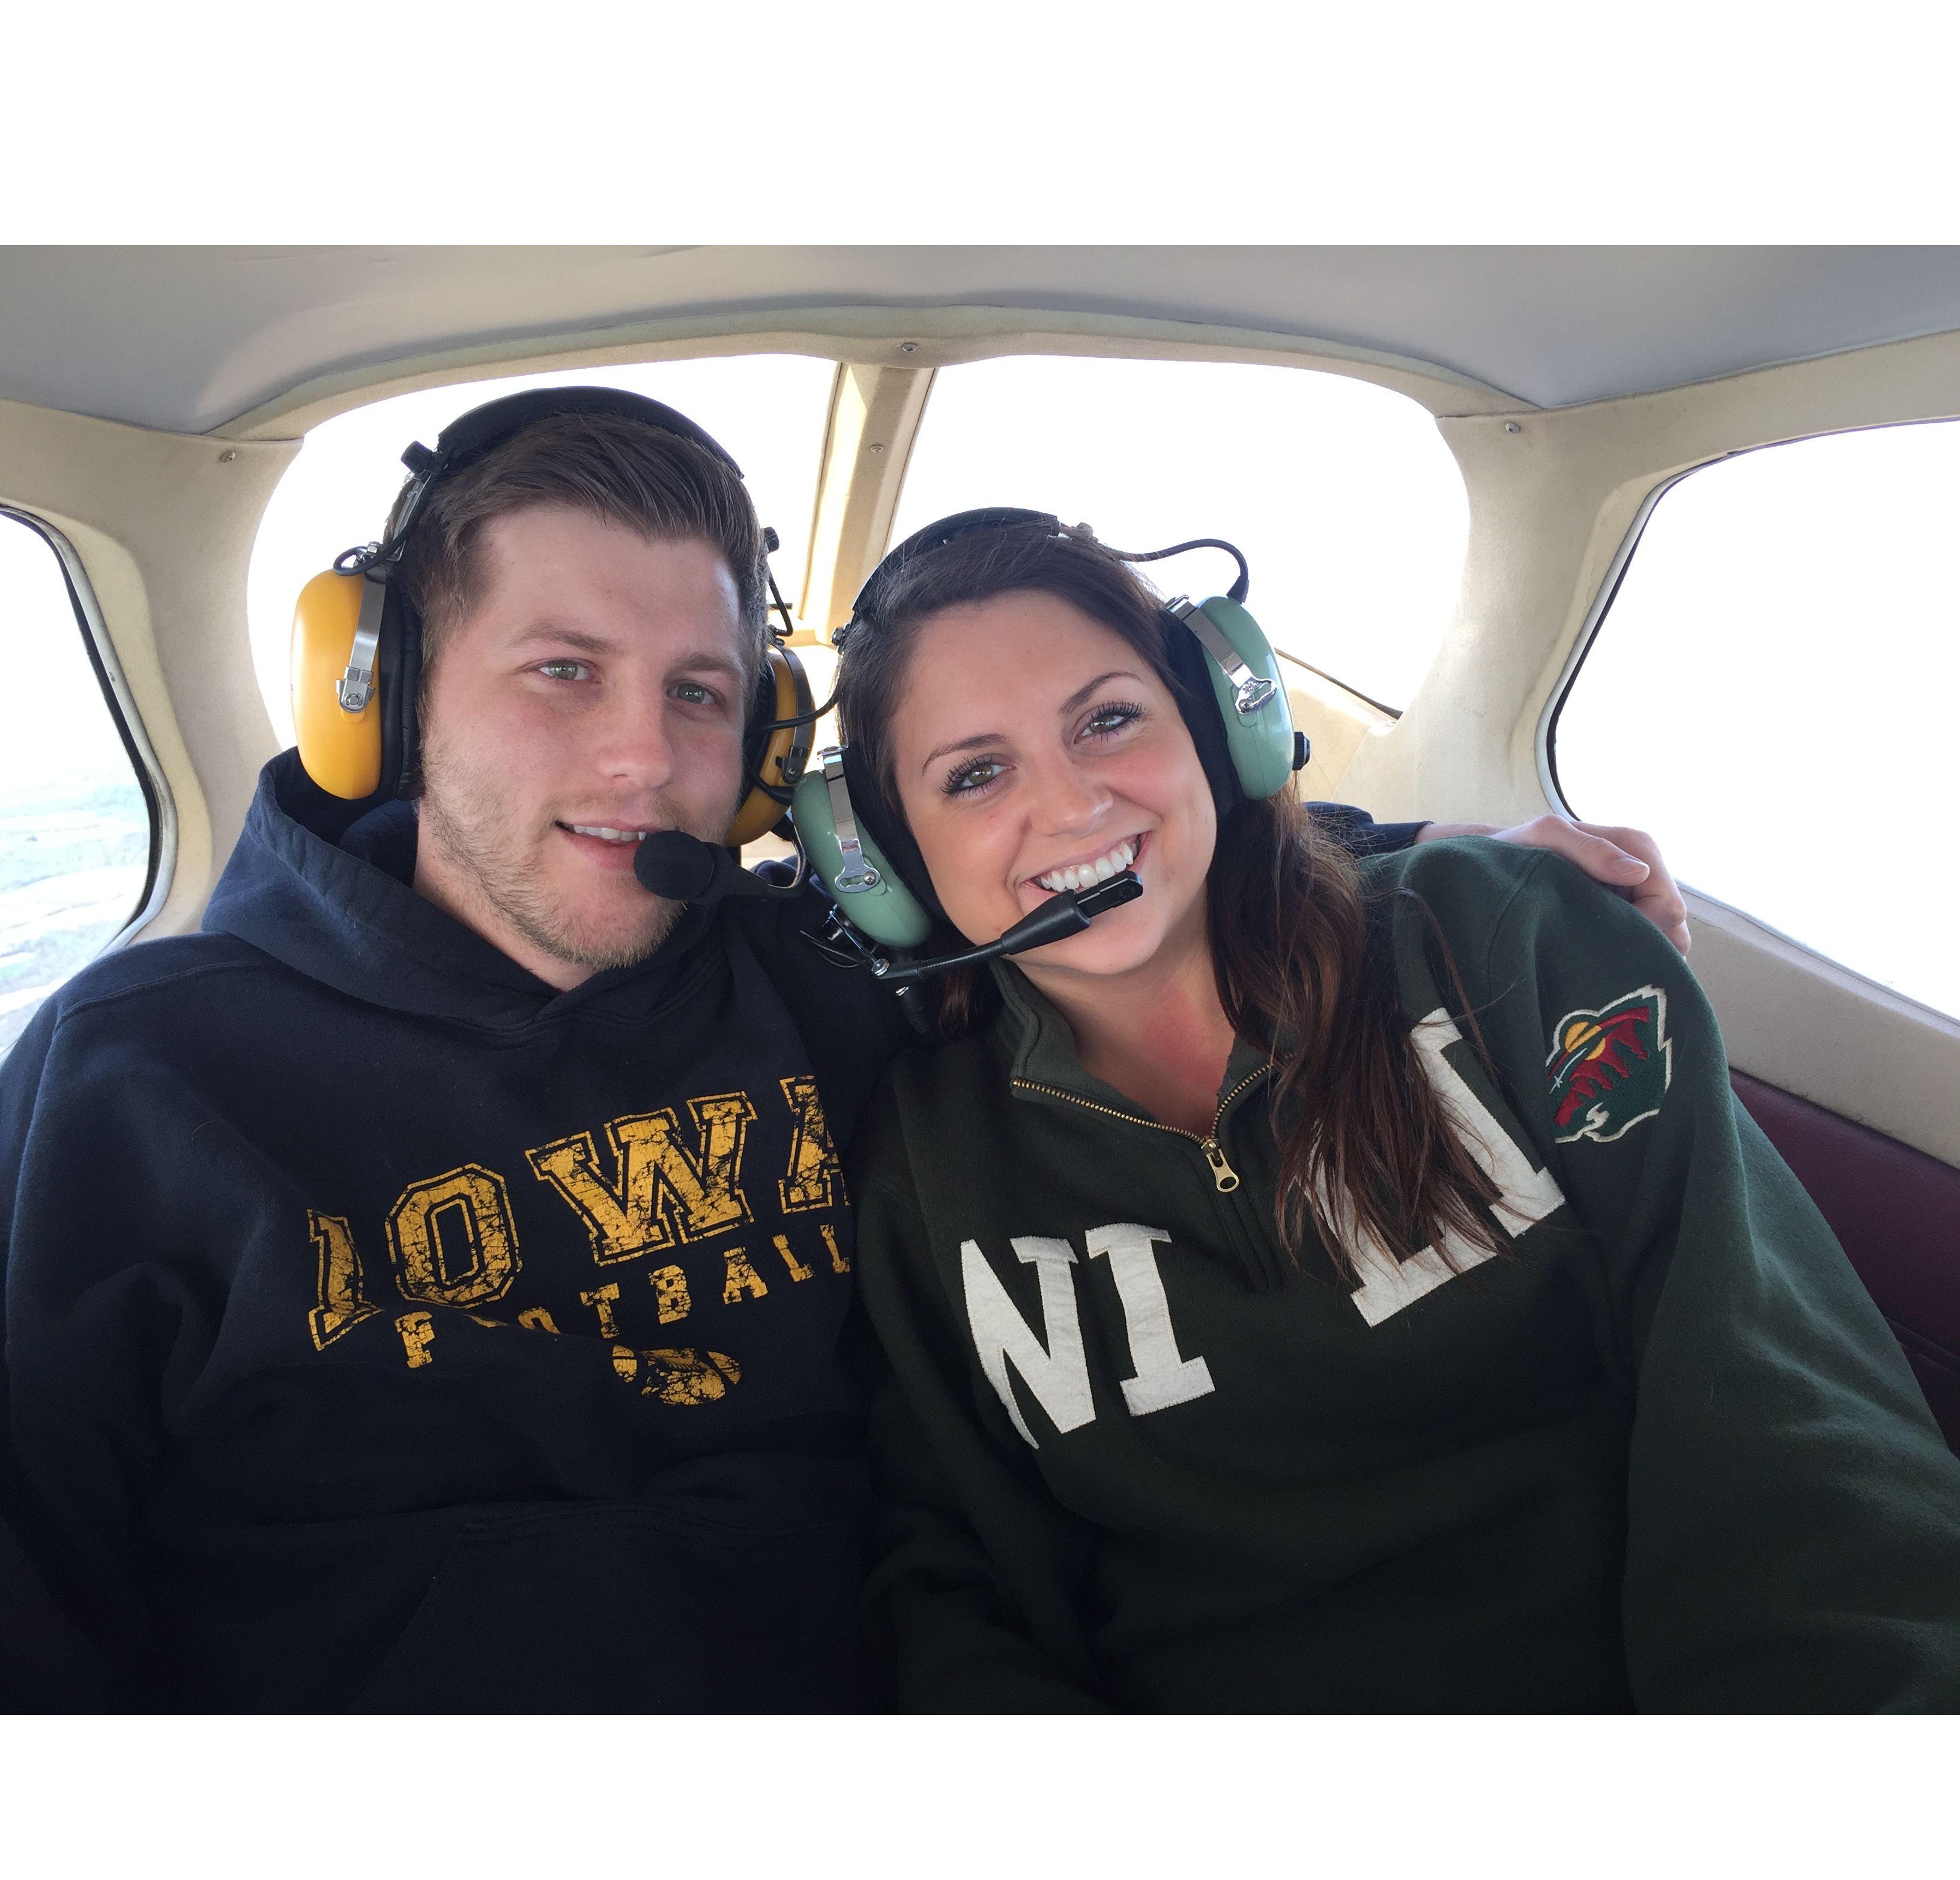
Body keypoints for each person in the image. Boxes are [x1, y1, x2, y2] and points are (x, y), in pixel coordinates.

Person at [0, 389, 1689, 1712]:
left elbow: (1091, 874)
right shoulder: (132, 1082)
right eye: (563, 673)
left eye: (698, 693)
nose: (642, 761)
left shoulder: (820, 977)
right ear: (384, 697)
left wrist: (1449, 865)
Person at [833, 512, 1960, 1713]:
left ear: (1215, 727)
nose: (1070, 805)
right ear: (890, 862)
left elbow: (1780, 1407)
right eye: (976, 774)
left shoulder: (1501, 939)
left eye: (1108, 720)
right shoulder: (923, 1166)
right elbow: (959, 1588)